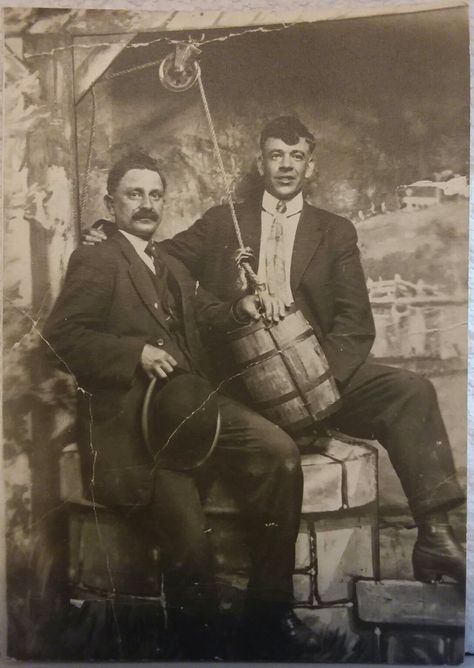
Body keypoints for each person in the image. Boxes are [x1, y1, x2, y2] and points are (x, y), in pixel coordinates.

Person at [87, 116, 465, 585]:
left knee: (411, 390)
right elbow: (157, 256)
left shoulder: (335, 231)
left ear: (311, 166)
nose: (286, 166)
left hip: (321, 374)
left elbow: (355, 325)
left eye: (296, 156)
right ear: (260, 162)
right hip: (244, 380)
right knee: (269, 444)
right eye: (275, 155)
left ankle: (437, 535)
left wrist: (317, 388)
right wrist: (109, 233)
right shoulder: (224, 221)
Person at [44, 152, 323, 661]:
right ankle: (199, 649)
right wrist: (135, 354)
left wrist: (240, 307)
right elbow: (59, 337)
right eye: (134, 193)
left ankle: (268, 615)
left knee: (279, 453)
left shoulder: (168, 261)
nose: (146, 204)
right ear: (111, 202)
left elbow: (205, 311)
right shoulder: (98, 258)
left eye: (154, 194)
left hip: (194, 410)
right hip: (137, 433)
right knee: (191, 542)